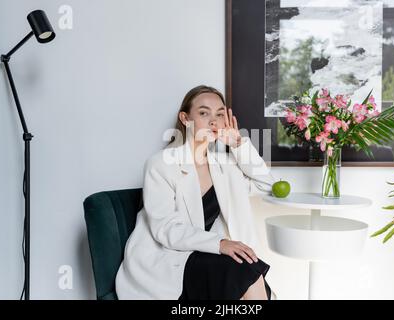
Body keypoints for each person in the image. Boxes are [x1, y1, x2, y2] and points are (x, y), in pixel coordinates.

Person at [116, 85, 277, 300]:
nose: (213, 121)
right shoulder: (161, 164)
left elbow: (268, 185)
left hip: (208, 257)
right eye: (203, 113)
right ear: (185, 118)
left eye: (220, 114)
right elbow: (165, 229)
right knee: (244, 271)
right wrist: (220, 244)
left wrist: (238, 144)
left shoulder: (225, 165)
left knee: (247, 269)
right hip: (170, 259)